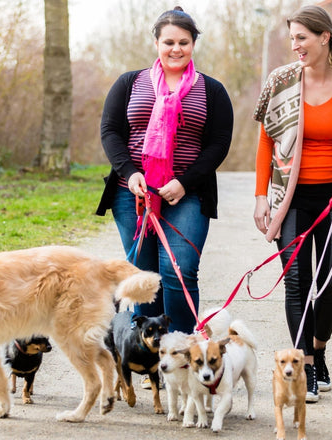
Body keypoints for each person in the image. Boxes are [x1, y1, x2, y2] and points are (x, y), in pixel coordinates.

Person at [252, 5, 332, 403]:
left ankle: (319, 348)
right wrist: (260, 196)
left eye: (302, 38)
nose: (295, 46)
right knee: (296, 281)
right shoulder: (280, 82)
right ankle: (305, 363)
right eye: (292, 39)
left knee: (331, 283)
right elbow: (266, 142)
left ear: (324, 37)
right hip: (289, 196)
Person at [96, 6, 233, 336]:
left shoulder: (211, 90)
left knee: (180, 271)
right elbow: (110, 131)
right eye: (169, 41)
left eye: (184, 42)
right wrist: (129, 174)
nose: (176, 49)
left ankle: (183, 351)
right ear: (156, 42)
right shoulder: (130, 83)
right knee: (143, 276)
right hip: (134, 193)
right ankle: (151, 356)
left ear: (193, 44)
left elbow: (218, 144)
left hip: (186, 193)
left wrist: (184, 183)